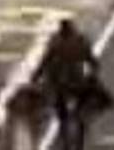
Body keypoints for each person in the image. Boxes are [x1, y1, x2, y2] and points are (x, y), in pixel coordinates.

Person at [38, 19, 97, 150]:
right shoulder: (81, 40)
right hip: (77, 82)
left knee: (61, 112)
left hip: (60, 84)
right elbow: (91, 60)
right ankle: (80, 134)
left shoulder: (55, 42)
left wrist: (36, 76)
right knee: (83, 108)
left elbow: (45, 61)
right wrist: (93, 72)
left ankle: (64, 132)